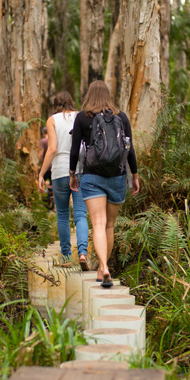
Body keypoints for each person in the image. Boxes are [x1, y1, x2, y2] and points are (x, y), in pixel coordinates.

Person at [69, 80, 140, 287]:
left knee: (98, 224)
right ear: (108, 95)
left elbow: (75, 150)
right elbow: (130, 149)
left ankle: (104, 267)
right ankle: (103, 268)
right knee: (110, 225)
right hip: (117, 177)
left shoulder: (83, 118)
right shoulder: (121, 117)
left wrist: (72, 173)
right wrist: (134, 176)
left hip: (92, 176)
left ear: (89, 95)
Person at [38, 92, 89, 267]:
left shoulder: (52, 120)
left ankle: (66, 256)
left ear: (56, 104)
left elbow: (52, 149)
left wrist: (40, 173)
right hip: (80, 171)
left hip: (59, 171)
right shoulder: (80, 116)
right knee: (81, 215)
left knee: (62, 215)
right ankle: (83, 253)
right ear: (71, 102)